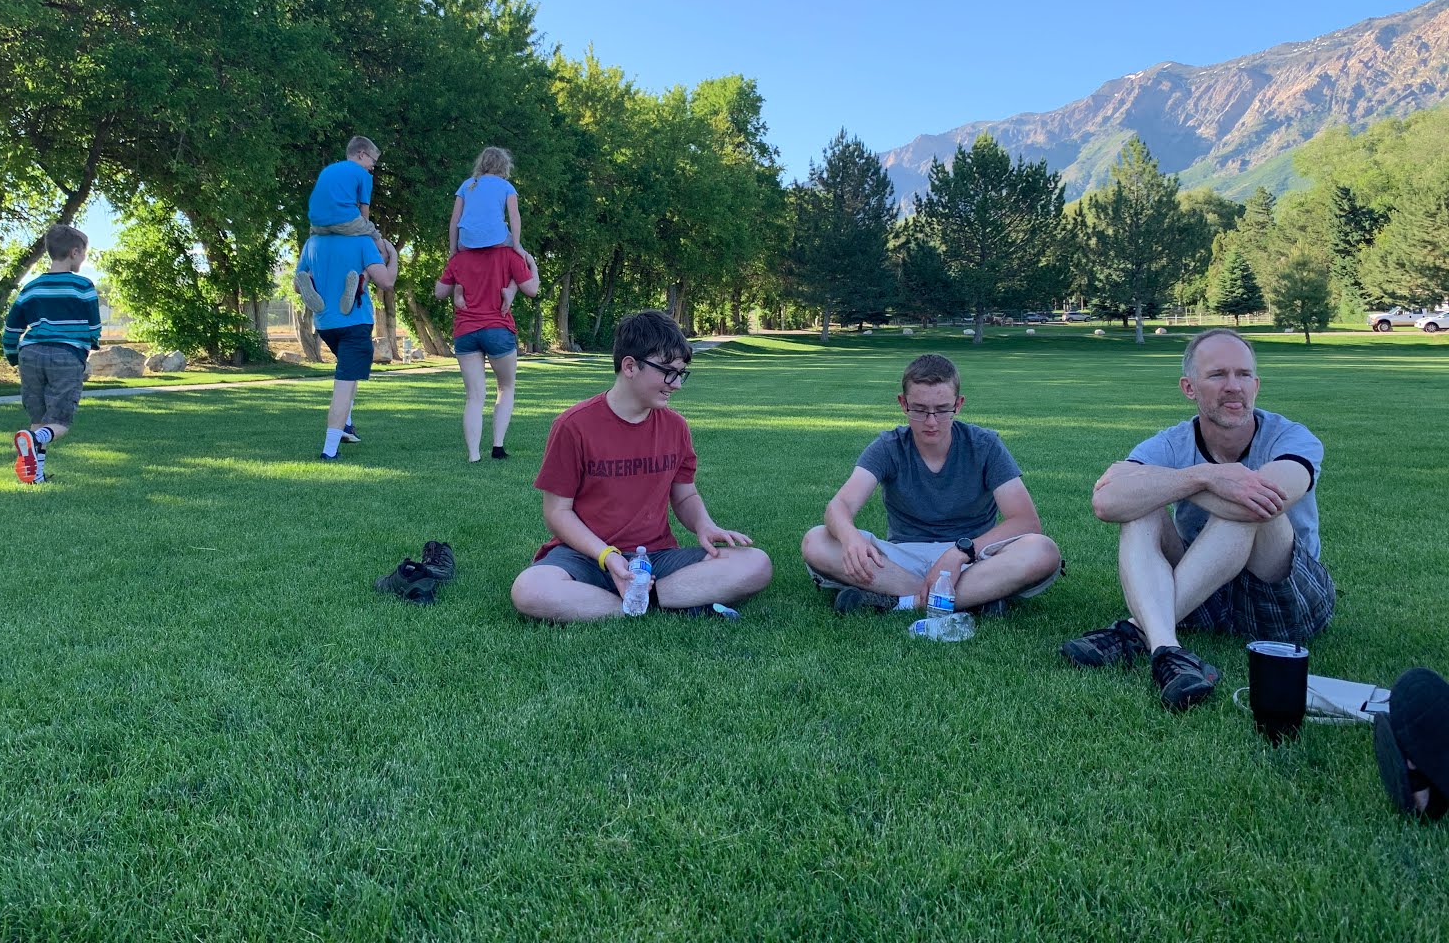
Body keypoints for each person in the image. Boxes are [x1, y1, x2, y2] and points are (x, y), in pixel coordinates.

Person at [1062, 328, 1335, 712]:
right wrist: (1204, 477)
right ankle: (1167, 648)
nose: (1233, 386)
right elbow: (1108, 503)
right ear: (1189, 388)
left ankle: (1137, 631)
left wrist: (1169, 482)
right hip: (1203, 590)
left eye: (1243, 375)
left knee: (1248, 503)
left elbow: (1262, 502)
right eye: (1217, 374)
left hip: (1282, 598)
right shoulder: (1172, 443)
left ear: (1256, 385)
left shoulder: (1291, 438)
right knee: (1141, 510)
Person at [509, 310, 772, 622]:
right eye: (668, 372)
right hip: (586, 556)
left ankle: (641, 599)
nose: (677, 384)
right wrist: (607, 556)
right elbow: (557, 513)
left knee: (756, 564)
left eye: (681, 373)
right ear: (630, 366)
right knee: (530, 589)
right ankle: (664, 601)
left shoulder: (676, 427)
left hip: (655, 558)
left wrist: (704, 525)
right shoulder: (573, 425)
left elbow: (685, 495)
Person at [800, 353, 1063, 617]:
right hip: (901, 559)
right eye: (919, 410)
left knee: (1042, 550)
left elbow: (1025, 521)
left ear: (958, 405)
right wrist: (850, 538)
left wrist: (959, 552)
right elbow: (840, 505)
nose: (931, 422)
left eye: (942, 409)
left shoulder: (985, 445)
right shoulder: (889, 446)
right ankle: (974, 597)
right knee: (817, 540)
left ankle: (904, 602)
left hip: (972, 558)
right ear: (903, 404)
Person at [2, 224, 102, 485]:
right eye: (84, 254)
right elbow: (94, 326)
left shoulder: (31, 287)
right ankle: (34, 440)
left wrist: (12, 356)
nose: (83, 259)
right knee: (59, 421)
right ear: (74, 252)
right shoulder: (82, 286)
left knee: (39, 418)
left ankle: (35, 476)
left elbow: (12, 328)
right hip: (65, 355)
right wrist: (89, 346)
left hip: (30, 354)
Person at [294, 227, 398, 460]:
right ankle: (329, 450)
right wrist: (393, 256)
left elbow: (296, 286)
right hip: (354, 322)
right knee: (343, 383)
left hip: (325, 323)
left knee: (351, 375)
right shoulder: (363, 241)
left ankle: (347, 424)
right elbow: (387, 281)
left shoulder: (313, 242)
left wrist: (309, 281)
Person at [433, 244, 540, 462]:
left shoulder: (459, 259)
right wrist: (533, 265)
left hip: (466, 331)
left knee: (474, 396)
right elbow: (532, 290)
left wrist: (454, 273)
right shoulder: (509, 255)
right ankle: (497, 447)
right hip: (498, 330)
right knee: (506, 387)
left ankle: (473, 455)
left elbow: (439, 292)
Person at [296, 135, 386, 313]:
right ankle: (360, 282)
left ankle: (310, 279)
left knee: (318, 253)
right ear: (362, 154)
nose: (372, 167)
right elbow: (364, 209)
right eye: (373, 162)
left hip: (317, 224)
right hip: (345, 220)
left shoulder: (328, 170)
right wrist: (369, 234)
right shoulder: (364, 175)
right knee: (381, 249)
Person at [447, 146, 529, 313]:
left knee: (460, 261)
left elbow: (455, 219)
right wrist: (517, 246)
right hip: (496, 238)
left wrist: (453, 249)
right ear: (504, 166)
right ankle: (510, 291)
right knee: (523, 258)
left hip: (467, 240)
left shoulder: (467, 184)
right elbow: (514, 217)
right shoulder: (506, 186)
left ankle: (458, 292)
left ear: (482, 164)